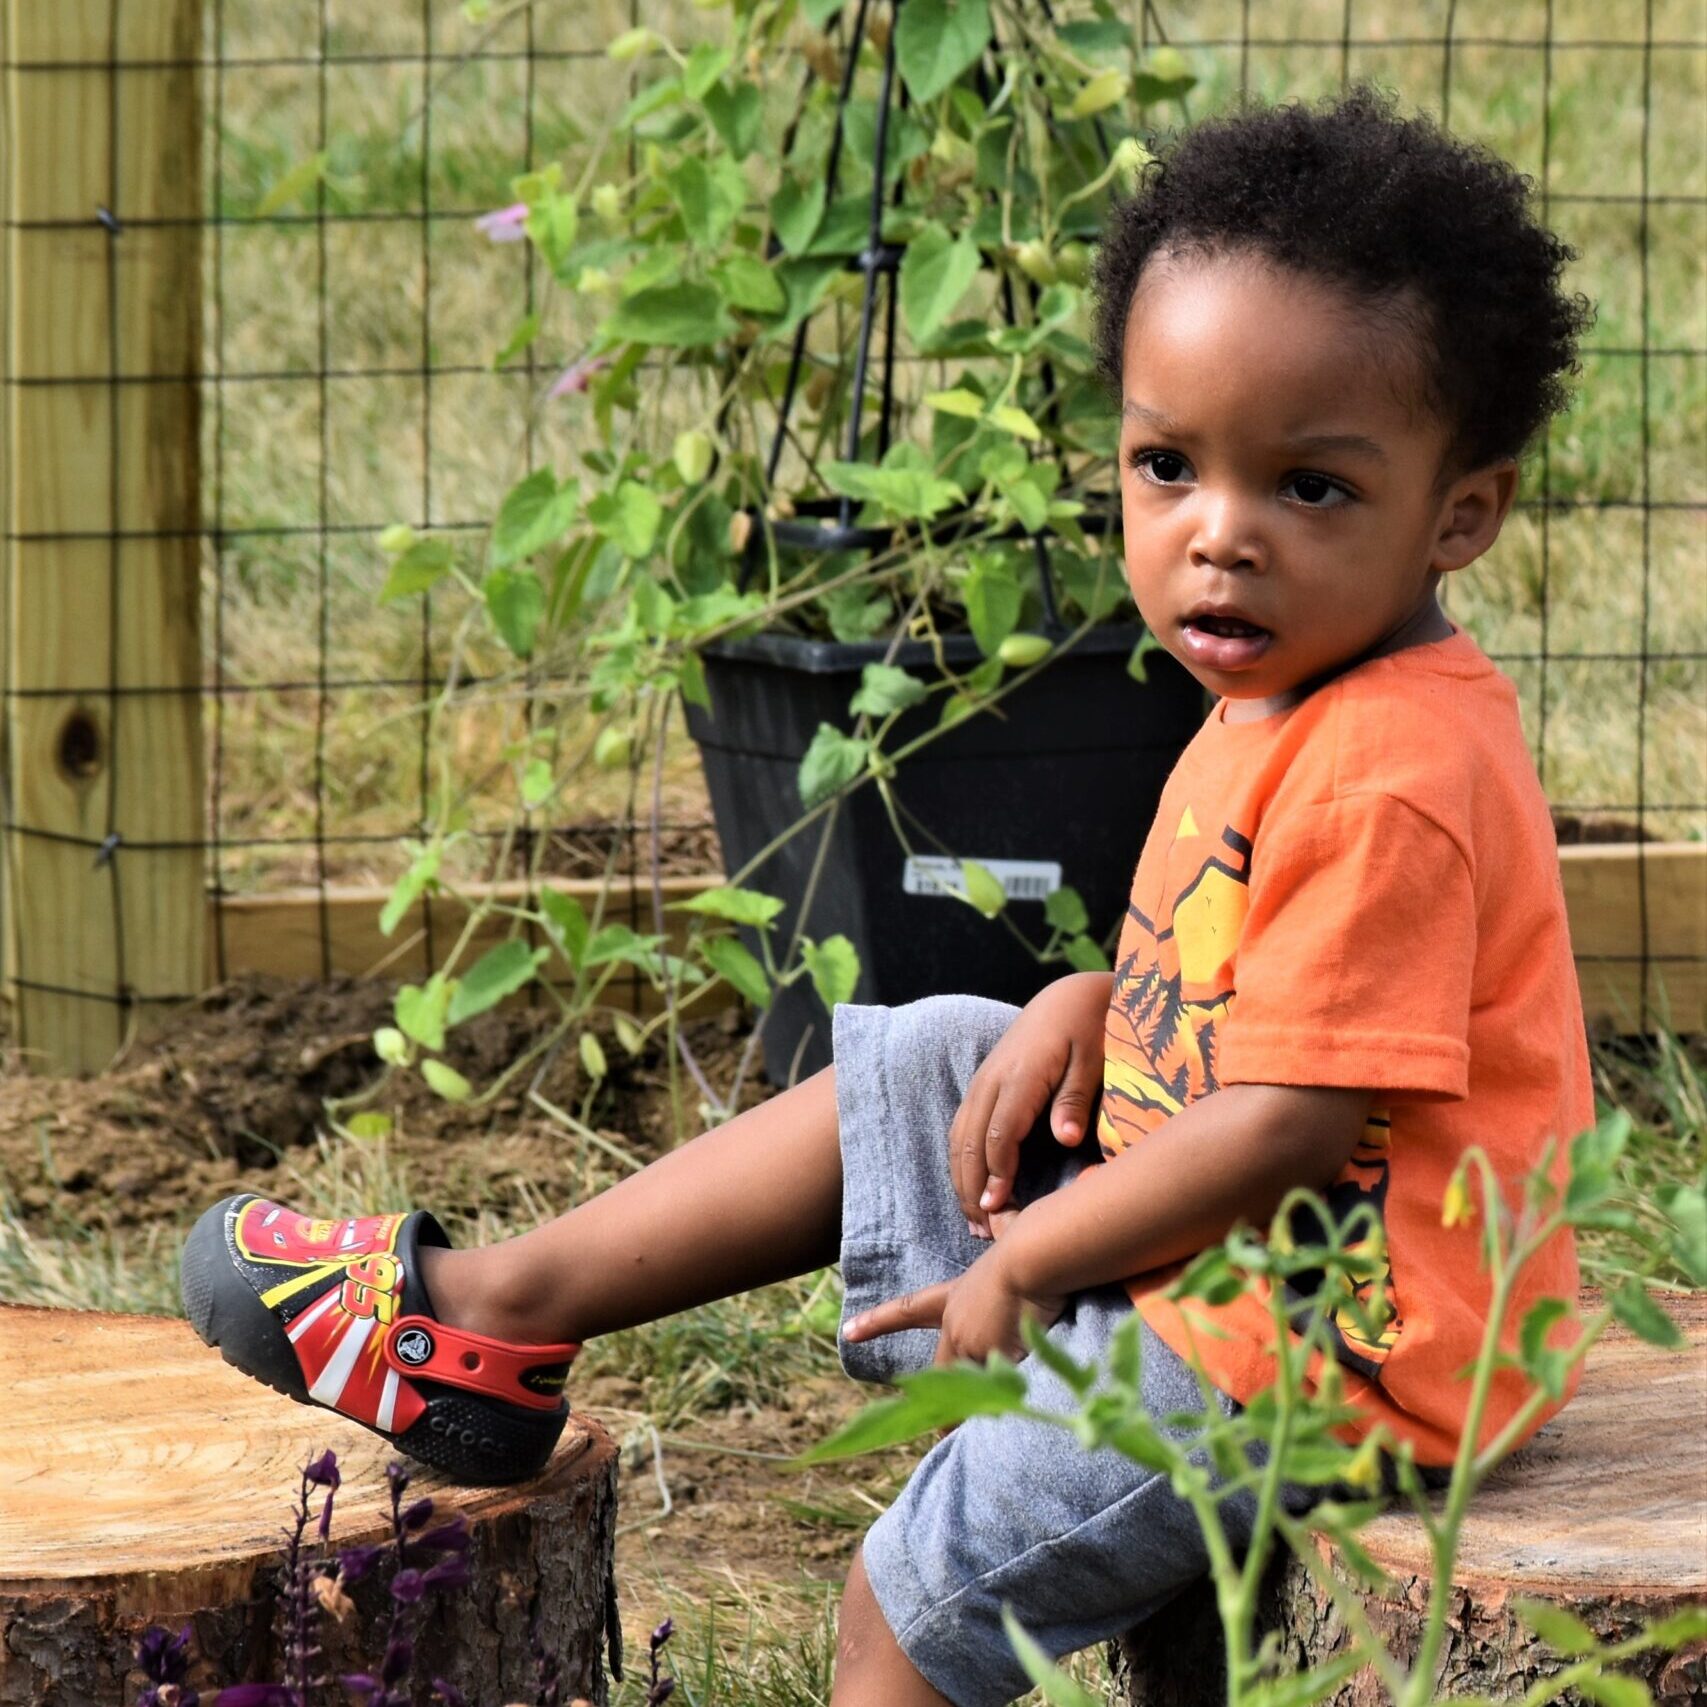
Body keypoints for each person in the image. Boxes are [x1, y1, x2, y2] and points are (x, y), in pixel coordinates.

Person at [181, 86, 1596, 1706]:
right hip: (1250, 1268)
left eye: (1311, 489)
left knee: (905, 1604)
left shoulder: (1391, 765)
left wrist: (1026, 1258)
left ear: (1461, 513)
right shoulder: (1295, 692)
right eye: (1167, 466)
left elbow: (1289, 1120)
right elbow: (1253, 995)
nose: (1221, 538)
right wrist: (1093, 1006)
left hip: (1333, 1360)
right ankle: (494, 1324)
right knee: (934, 1051)